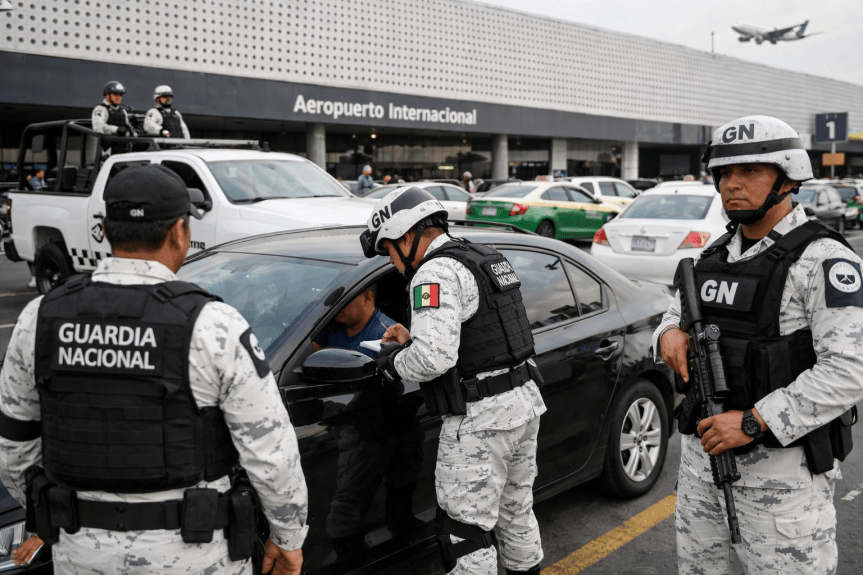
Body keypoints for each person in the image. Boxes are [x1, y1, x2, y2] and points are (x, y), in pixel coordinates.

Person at [0, 164, 308, 575]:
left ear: (106, 231)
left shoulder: (39, 319)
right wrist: (287, 538)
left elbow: (14, 449)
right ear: (180, 231)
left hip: (80, 554)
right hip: (193, 554)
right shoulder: (213, 324)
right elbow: (270, 453)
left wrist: (65, 512)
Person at [655, 115, 863, 575]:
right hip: (701, 462)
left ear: (787, 179)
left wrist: (753, 421)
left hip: (782, 478)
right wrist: (667, 332)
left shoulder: (823, 260)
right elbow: (678, 315)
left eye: (749, 171)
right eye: (724, 173)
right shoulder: (713, 255)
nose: (732, 184)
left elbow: (849, 370)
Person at [359, 187, 546, 575]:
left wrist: (392, 364)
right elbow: (478, 337)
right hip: (523, 403)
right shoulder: (483, 257)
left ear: (408, 236)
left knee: (466, 530)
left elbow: (433, 358)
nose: (393, 263)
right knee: (515, 511)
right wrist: (414, 341)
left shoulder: (435, 271)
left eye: (390, 250)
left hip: (481, 420)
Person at [311, 287, 424, 561]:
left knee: (354, 492)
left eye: (345, 301)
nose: (337, 308)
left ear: (368, 297)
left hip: (373, 423)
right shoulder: (332, 326)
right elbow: (310, 351)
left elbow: (399, 379)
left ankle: (350, 550)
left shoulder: (386, 332)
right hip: (340, 416)